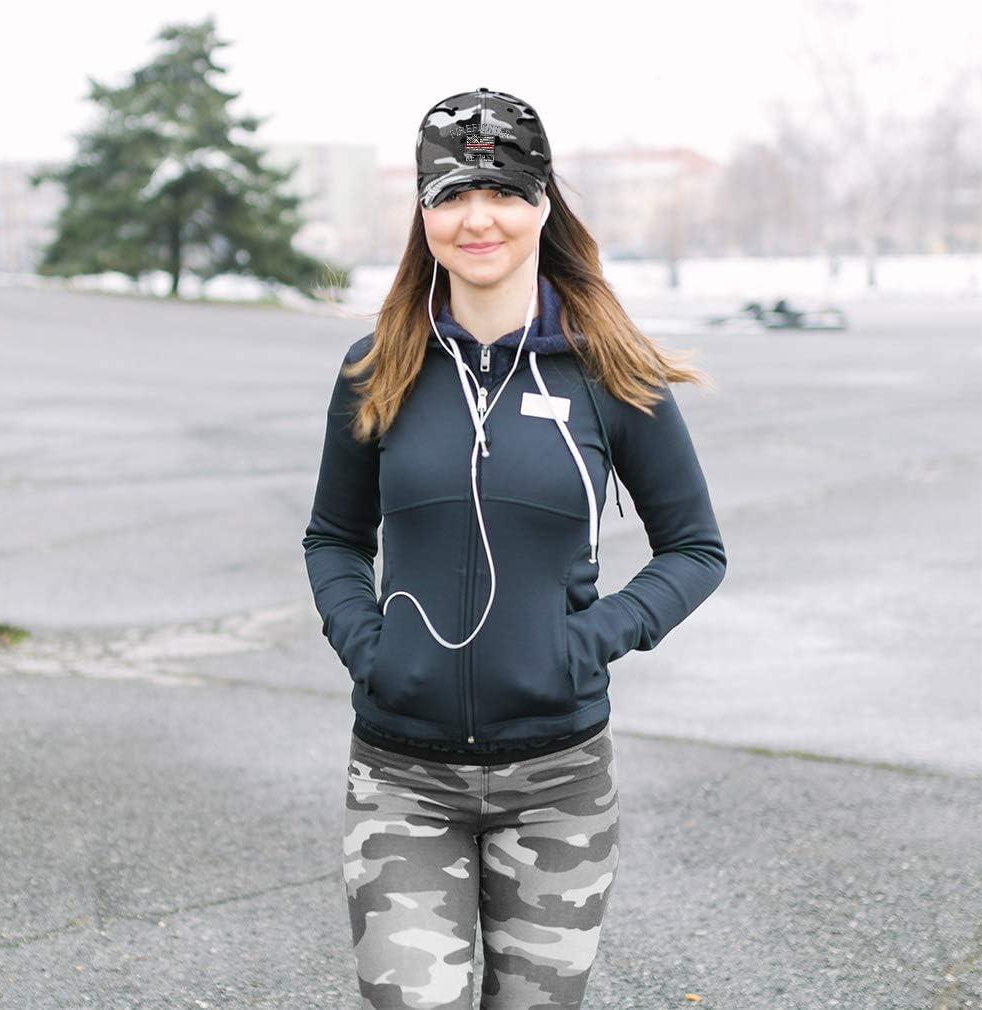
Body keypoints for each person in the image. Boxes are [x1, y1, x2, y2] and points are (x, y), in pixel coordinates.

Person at [302, 87, 728, 1010]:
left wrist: (583, 644)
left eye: (502, 190)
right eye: (451, 194)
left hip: (558, 782)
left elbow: (694, 549)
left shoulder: (611, 369)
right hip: (403, 779)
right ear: (423, 215)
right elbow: (334, 538)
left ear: (542, 203)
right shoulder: (376, 367)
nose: (477, 218)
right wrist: (372, 650)